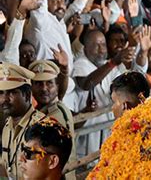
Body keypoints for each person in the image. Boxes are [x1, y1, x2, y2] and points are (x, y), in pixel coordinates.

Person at [72, 29, 135, 157]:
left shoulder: (106, 66)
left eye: (103, 45)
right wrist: (113, 63)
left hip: (105, 133)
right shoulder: (80, 64)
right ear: (85, 48)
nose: (101, 49)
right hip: (86, 138)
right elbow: (86, 84)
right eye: (96, 45)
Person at [28, 60, 76, 179]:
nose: (44, 89)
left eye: (49, 83)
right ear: (31, 87)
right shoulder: (44, 110)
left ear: (57, 87)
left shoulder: (55, 115)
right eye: (39, 84)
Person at [0, 63, 45, 178]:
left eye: (12, 92)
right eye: (1, 93)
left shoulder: (42, 127)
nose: (4, 99)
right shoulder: (7, 126)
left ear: (27, 95)